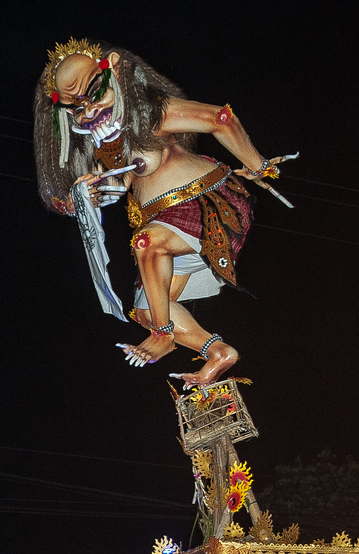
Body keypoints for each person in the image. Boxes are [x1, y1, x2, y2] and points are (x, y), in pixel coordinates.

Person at [34, 39, 291, 387]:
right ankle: (217, 352)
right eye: (76, 108)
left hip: (207, 204)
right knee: (145, 309)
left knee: (146, 244)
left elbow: (220, 118)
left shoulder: (151, 115)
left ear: (113, 71)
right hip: (170, 225)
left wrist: (258, 166)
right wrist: (81, 198)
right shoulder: (110, 148)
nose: (89, 112)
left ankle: (163, 333)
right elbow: (116, 188)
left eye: (94, 95)